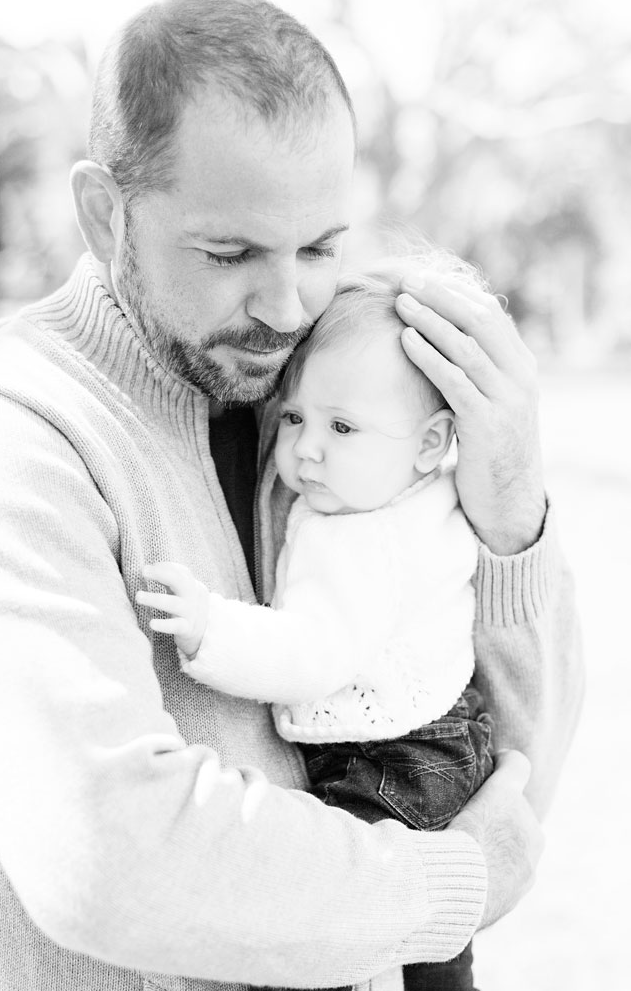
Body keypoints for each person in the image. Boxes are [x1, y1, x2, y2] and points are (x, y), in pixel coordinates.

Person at [0, 0, 582, 991]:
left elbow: (508, 776)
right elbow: (107, 860)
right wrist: (450, 884)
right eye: (229, 254)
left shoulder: (320, 401)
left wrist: (510, 513)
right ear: (107, 213)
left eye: (319, 248)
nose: (285, 308)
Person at [137, 253, 496, 991]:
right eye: (295, 416)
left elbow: (316, 651)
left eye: (343, 426)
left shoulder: (366, 538)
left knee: (341, 926)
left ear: (431, 442)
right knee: (434, 946)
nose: (305, 449)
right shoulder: (406, 488)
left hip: (395, 759)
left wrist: (214, 629)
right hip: (442, 734)